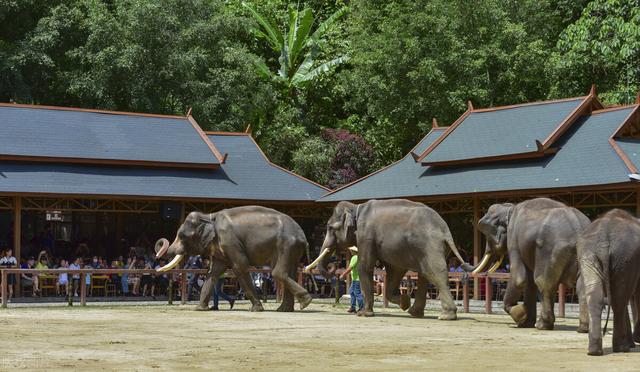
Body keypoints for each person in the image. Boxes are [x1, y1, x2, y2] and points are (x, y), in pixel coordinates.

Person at [340, 246, 364, 314]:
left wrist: (343, 274)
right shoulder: (359, 257)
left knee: (357, 293)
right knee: (352, 292)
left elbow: (350, 268)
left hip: (356, 279)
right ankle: (353, 307)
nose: (350, 251)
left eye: (351, 250)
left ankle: (361, 308)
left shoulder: (354, 258)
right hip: (356, 278)